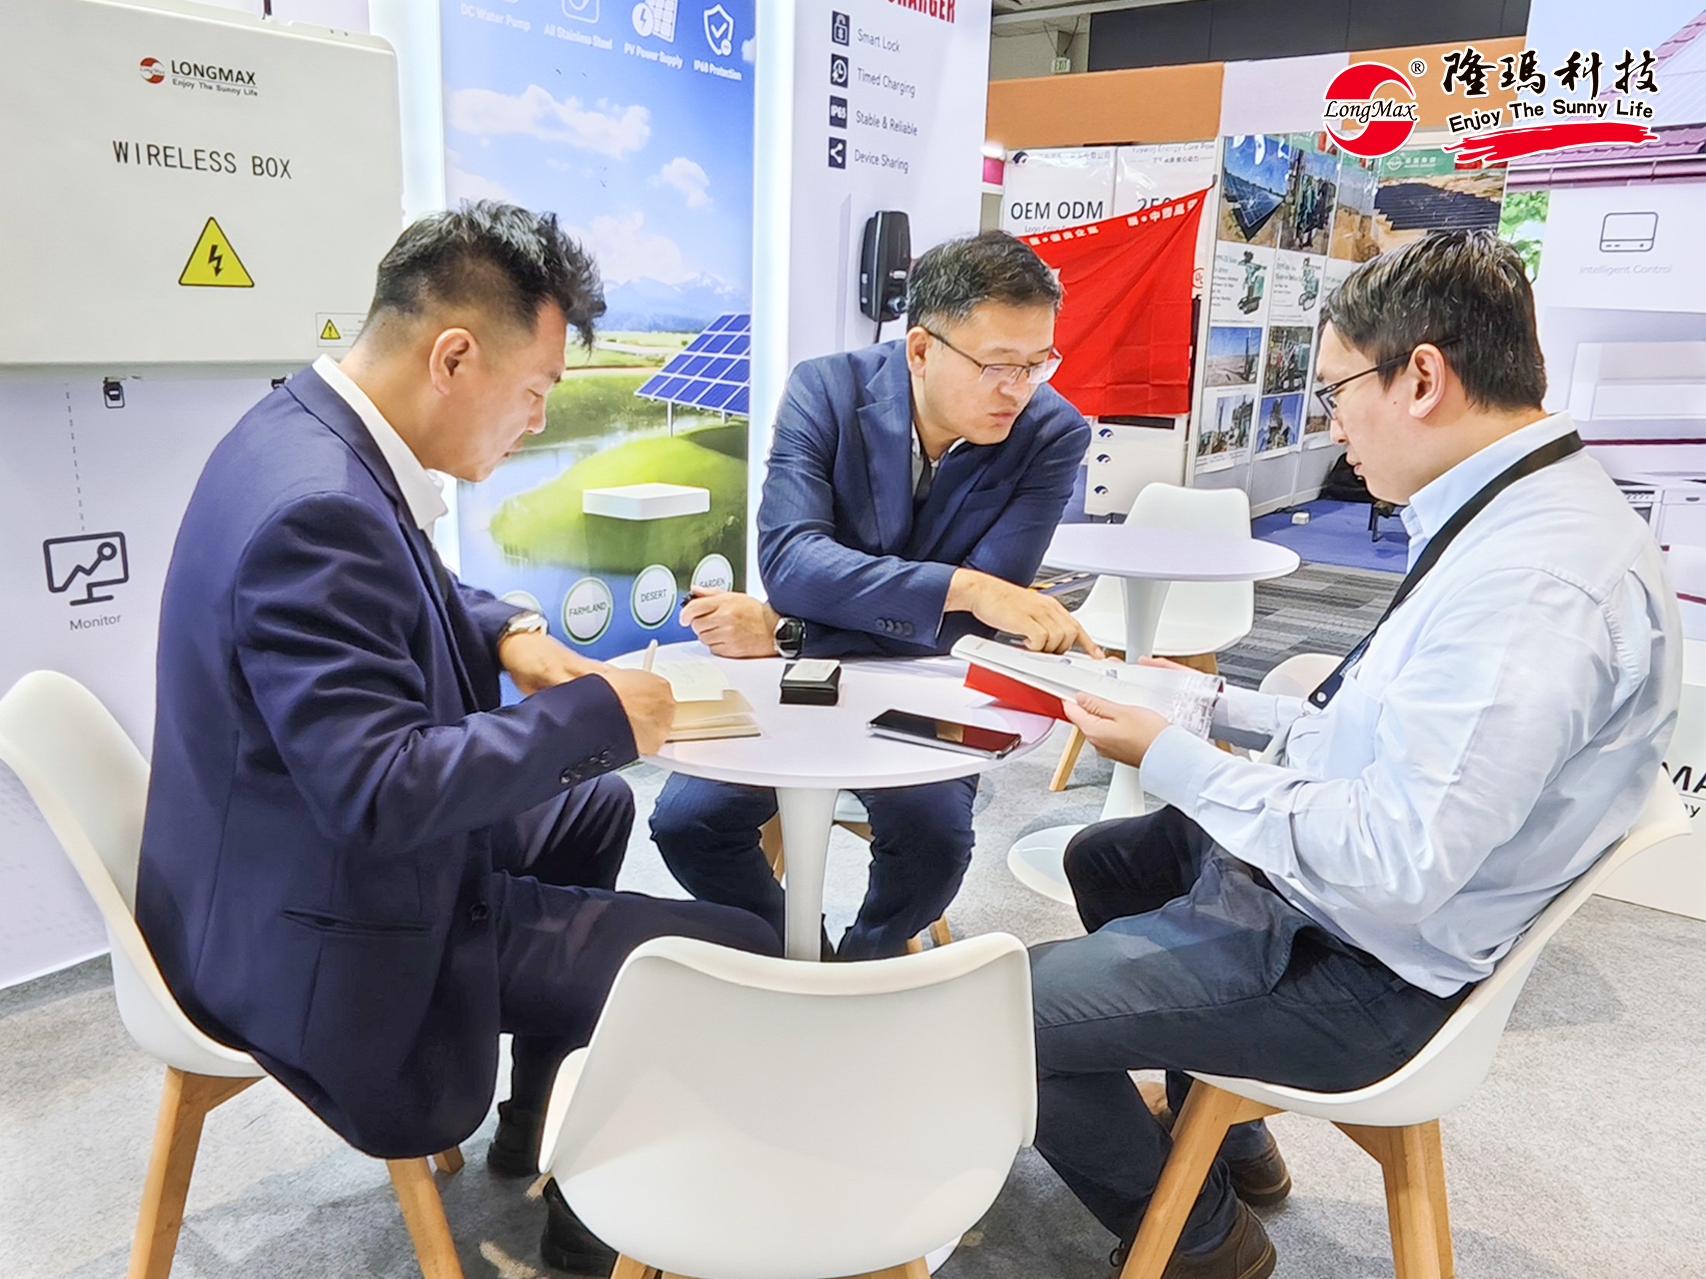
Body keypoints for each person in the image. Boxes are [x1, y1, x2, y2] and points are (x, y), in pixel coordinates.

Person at [136, 202, 779, 1276]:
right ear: (453, 357)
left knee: (592, 804)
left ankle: (538, 1117)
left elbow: (412, 586)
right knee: (732, 947)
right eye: (534, 391)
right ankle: (595, 1225)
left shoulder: (303, 437)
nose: (536, 420)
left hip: (265, 862)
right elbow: (378, 792)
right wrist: (601, 714)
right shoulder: (319, 511)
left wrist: (513, 633)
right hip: (322, 935)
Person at [1027, 230, 1680, 1279]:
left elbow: (1395, 860)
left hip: (1369, 964)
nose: (1330, 425)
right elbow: (1372, 727)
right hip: (1353, 905)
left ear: (1420, 377)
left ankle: (1202, 1244)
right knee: (1110, 857)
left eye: (1334, 389)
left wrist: (1174, 753)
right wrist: (1202, 703)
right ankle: (1225, 1134)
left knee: (1000, 1012)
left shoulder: (1530, 584)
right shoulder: (1511, 510)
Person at [649, 231, 1098, 960]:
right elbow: (792, 564)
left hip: (923, 686)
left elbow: (967, 633)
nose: (1018, 389)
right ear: (920, 349)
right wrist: (963, 587)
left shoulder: (1051, 433)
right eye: (996, 365)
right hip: (802, 684)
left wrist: (789, 630)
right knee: (687, 820)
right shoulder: (825, 391)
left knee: (935, 840)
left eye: (1037, 363)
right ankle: (800, 956)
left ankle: (864, 964)